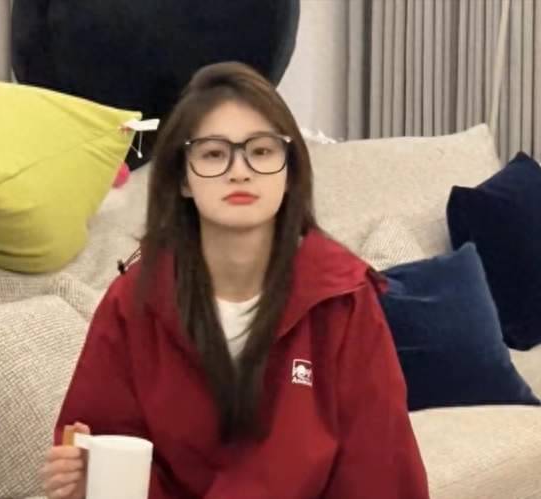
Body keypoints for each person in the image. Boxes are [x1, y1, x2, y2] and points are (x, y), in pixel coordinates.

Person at [41, 61, 429, 499]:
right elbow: (106, 452)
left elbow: (380, 469)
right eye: (213, 154)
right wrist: (84, 482)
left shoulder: (343, 300)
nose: (239, 171)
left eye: (261, 151)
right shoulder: (135, 301)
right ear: (183, 179)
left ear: (290, 172)